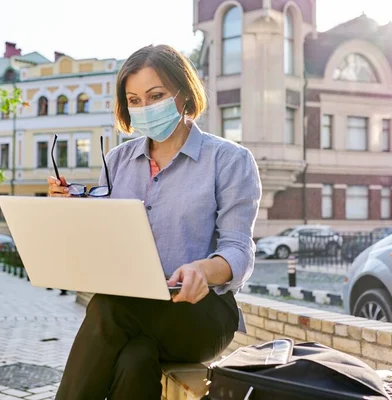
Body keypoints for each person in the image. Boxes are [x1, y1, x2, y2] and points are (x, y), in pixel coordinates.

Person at [47, 44, 262, 399]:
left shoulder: (229, 160)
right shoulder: (117, 161)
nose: (144, 108)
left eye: (156, 95)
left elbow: (239, 250)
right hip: (134, 310)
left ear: (184, 93)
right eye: (134, 100)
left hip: (199, 313)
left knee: (108, 306)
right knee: (136, 359)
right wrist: (74, 211)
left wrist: (203, 271)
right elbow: (108, 236)